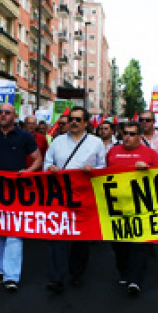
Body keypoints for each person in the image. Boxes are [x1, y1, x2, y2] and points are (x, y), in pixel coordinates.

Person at [0, 102, 42, 292]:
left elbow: (38, 159)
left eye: (7, 112)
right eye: (0, 112)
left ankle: (12, 276)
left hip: (17, 189)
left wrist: (27, 171)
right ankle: (2, 270)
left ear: (14, 116)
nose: (3, 115)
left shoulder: (25, 136)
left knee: (14, 232)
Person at [44, 107, 106, 293]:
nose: (74, 122)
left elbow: (103, 167)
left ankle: (77, 273)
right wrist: (51, 168)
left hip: (84, 196)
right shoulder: (57, 142)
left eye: (78, 120)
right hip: (60, 195)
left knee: (80, 238)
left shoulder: (96, 143)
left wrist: (93, 170)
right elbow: (47, 162)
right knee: (58, 237)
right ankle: (56, 277)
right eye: (72, 119)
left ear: (86, 123)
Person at [105, 121, 158, 295]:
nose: (127, 137)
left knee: (139, 245)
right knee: (119, 245)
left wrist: (149, 170)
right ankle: (124, 271)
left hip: (141, 207)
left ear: (139, 136)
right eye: (125, 133)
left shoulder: (150, 154)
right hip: (117, 206)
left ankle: (135, 280)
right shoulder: (113, 152)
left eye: (132, 134)